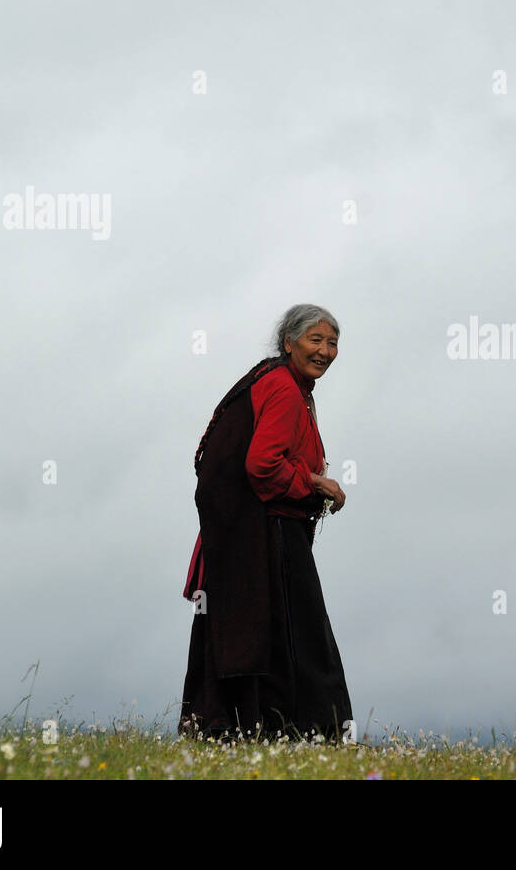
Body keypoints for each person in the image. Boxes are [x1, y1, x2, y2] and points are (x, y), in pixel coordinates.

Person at [179, 304, 353, 744]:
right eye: (316, 340)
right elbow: (261, 465)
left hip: (255, 532)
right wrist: (314, 482)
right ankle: (309, 732)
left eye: (332, 342)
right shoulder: (283, 388)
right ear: (288, 342)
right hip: (270, 532)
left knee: (269, 632)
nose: (326, 351)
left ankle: (238, 731)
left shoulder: (285, 384)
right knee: (301, 635)